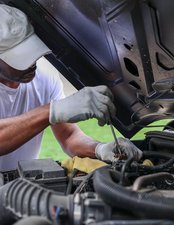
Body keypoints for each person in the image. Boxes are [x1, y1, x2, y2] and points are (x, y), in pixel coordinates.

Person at [0, 4, 142, 170]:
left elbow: (69, 136)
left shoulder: (45, 80)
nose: (32, 63)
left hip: (19, 187)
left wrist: (99, 148)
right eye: (21, 56)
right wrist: (51, 111)